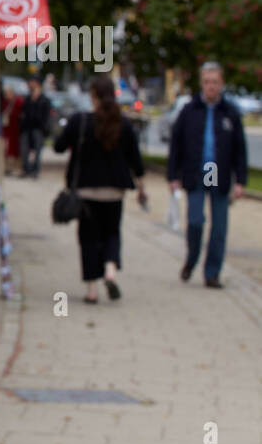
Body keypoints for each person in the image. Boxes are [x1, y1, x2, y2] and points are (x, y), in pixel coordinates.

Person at [53, 75, 146, 303]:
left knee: (88, 238)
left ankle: (92, 289)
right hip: (114, 191)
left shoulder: (80, 121)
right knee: (112, 233)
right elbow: (136, 160)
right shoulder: (123, 123)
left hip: (85, 191)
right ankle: (110, 271)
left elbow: (58, 146)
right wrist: (142, 188)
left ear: (93, 96)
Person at [167, 61, 249, 288]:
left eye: (215, 82)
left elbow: (240, 149)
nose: (211, 87)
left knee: (219, 228)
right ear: (201, 83)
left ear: (221, 83)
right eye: (206, 82)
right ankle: (191, 259)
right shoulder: (189, 110)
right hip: (197, 173)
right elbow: (176, 145)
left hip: (219, 174)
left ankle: (212, 272)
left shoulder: (230, 112)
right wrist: (172, 175)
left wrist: (241, 181)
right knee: (195, 222)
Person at [19, 75, 52, 178]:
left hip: (38, 128)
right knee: (24, 150)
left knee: (37, 152)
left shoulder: (44, 100)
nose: (29, 84)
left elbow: (46, 116)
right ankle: (27, 169)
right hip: (27, 128)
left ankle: (35, 171)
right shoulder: (28, 99)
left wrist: (44, 128)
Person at [2, 84, 22, 174]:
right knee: (7, 149)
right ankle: (8, 167)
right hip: (8, 128)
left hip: (16, 129)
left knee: (15, 149)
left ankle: (16, 167)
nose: (6, 96)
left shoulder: (18, 101)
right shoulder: (5, 102)